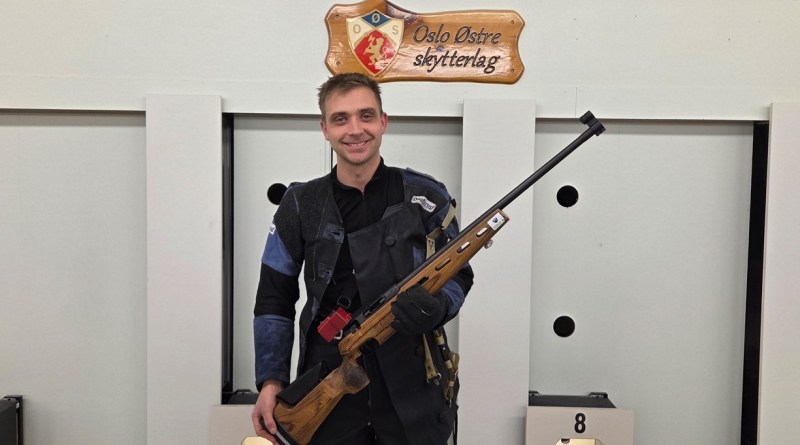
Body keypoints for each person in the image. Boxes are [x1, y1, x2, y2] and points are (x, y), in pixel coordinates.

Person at [251, 72, 474, 445]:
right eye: (340, 119)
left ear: (383, 121)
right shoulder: (300, 204)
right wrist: (271, 381)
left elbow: (459, 273)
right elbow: (274, 298)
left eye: (366, 115)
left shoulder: (427, 197)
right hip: (327, 384)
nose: (355, 129)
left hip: (414, 388)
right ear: (325, 129)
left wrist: (437, 307)